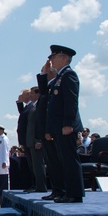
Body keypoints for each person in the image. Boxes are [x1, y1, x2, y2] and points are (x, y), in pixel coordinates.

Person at [44, 44, 85, 203]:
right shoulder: (59, 78)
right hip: (59, 127)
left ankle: (75, 193)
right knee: (63, 161)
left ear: (62, 57)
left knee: (69, 160)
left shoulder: (69, 75)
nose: (51, 60)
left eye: (53, 57)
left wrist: (68, 123)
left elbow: (71, 101)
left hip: (66, 126)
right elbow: (47, 97)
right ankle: (68, 191)